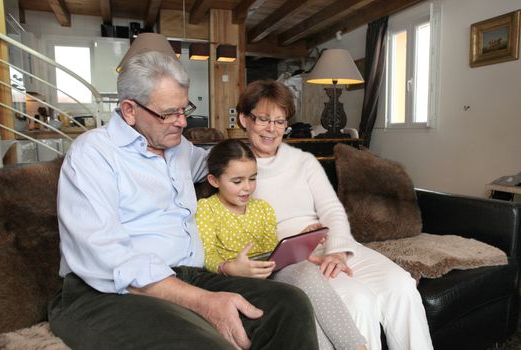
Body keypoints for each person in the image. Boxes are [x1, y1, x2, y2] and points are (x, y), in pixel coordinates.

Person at [48, 48, 318, 350]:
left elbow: (222, 167)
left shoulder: (178, 147)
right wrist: (204, 302)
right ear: (129, 110)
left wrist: (260, 135)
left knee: (288, 305)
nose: (181, 122)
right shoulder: (93, 154)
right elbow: (109, 257)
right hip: (105, 291)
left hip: (187, 275)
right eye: (168, 113)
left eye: (184, 109)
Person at [237, 79, 434, 350]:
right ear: (244, 119)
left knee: (401, 285)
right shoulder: (234, 170)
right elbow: (236, 228)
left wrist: (338, 250)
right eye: (263, 119)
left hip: (331, 244)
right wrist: (296, 242)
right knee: (358, 301)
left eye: (280, 121)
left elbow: (332, 209)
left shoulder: (303, 161)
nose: (272, 129)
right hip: (292, 261)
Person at [196, 139, 367, 350]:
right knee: (299, 303)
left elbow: (272, 251)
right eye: (237, 181)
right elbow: (206, 256)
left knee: (304, 271)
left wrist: (298, 244)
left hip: (270, 271)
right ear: (214, 180)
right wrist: (230, 268)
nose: (247, 188)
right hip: (238, 279)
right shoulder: (206, 209)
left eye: (253, 178)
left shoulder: (263, 208)